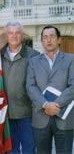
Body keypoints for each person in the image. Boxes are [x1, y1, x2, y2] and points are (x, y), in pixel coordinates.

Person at [26, 25, 74, 154]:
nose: (49, 40)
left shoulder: (71, 59)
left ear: (59, 40)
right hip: (41, 117)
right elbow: (30, 87)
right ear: (42, 41)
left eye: (52, 36)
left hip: (64, 118)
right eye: (45, 37)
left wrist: (55, 105)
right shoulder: (33, 62)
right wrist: (45, 104)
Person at [1, 21, 39, 153]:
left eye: (17, 33)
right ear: (6, 36)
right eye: (10, 33)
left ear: (22, 35)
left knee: (29, 148)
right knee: (11, 150)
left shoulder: (34, 55)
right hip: (6, 113)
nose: (14, 36)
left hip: (28, 113)